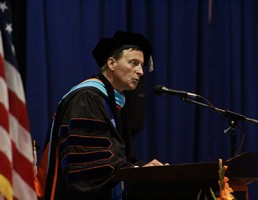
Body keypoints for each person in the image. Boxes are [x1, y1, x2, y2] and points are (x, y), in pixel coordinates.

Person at [40, 31, 165, 200]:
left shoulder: (114, 104)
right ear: (112, 63)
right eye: (134, 63)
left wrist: (143, 169)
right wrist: (135, 171)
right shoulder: (87, 97)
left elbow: (121, 158)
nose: (141, 71)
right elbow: (88, 164)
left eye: (142, 65)